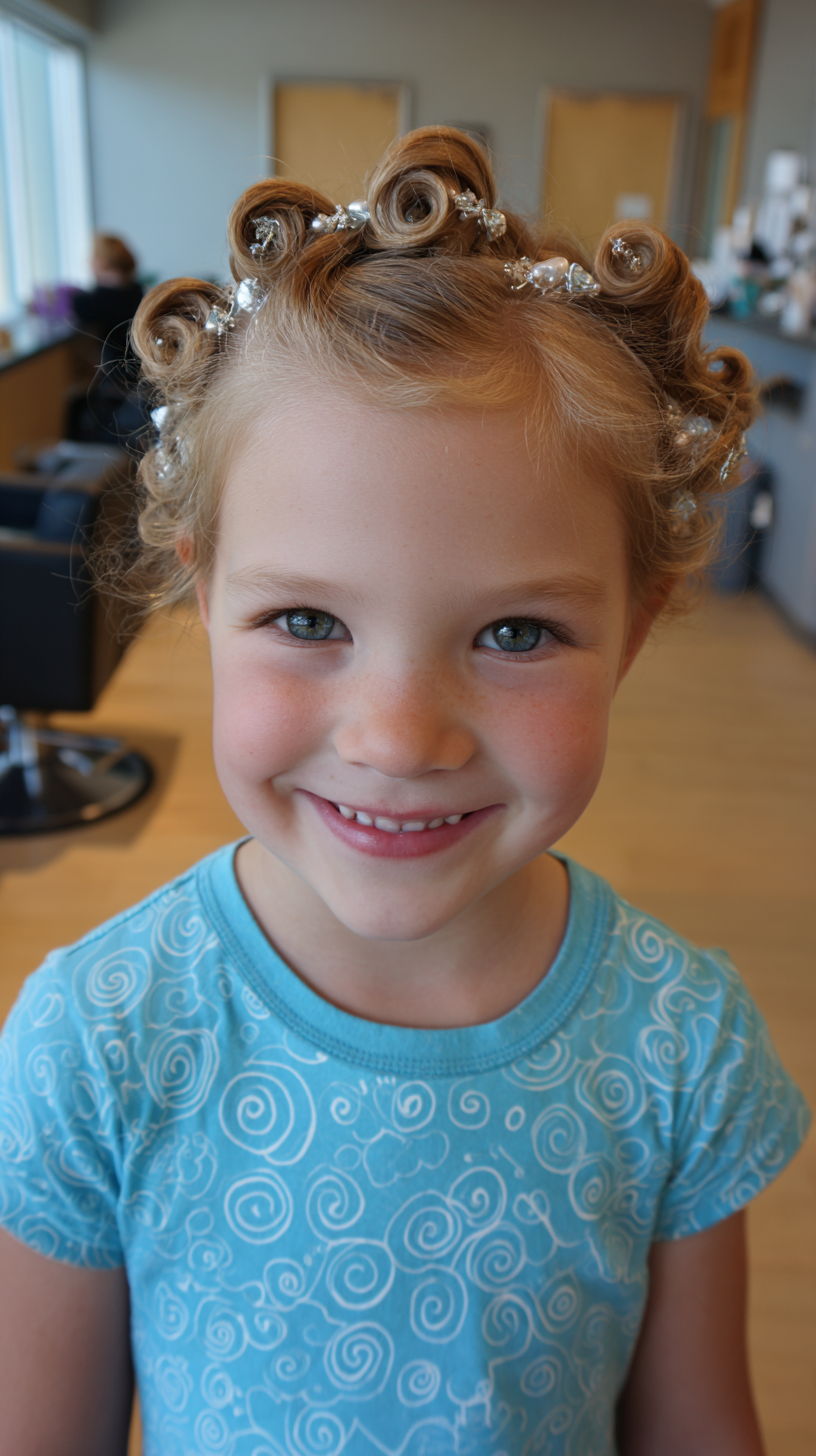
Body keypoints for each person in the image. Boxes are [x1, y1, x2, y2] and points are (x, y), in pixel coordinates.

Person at [0, 129, 808, 1456]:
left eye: (515, 634)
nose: (399, 737)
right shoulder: (100, 1042)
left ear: (640, 624)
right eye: (308, 618)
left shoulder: (678, 1048)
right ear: (206, 595)